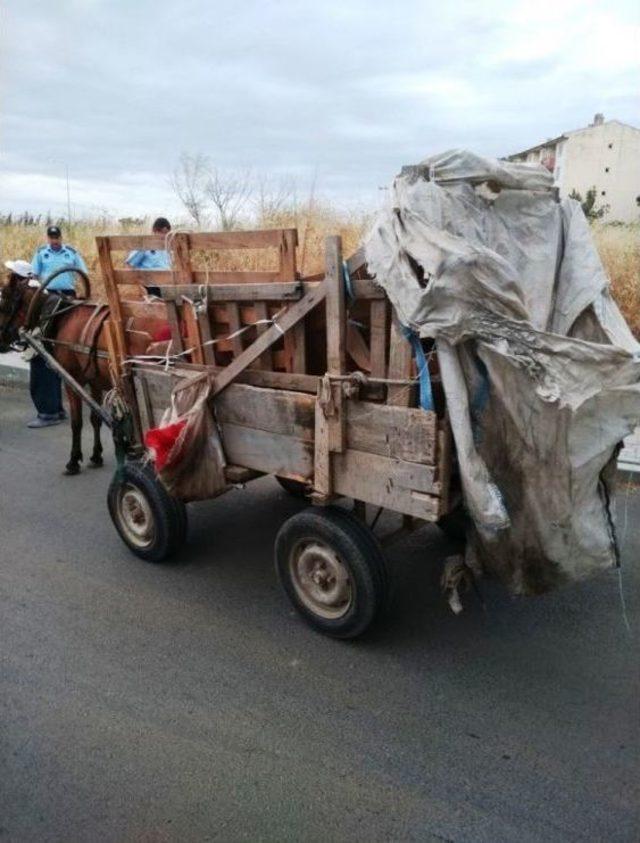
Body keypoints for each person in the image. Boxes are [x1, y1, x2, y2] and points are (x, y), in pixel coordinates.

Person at [28, 225, 88, 428]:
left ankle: (53, 409)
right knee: (47, 341)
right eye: (52, 237)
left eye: (57, 237)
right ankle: (53, 408)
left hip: (67, 296)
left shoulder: (71, 252)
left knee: (67, 337)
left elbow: (82, 271)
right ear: (48, 238)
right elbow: (34, 275)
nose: (55, 240)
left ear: (61, 237)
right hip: (48, 297)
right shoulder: (41, 254)